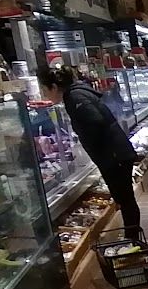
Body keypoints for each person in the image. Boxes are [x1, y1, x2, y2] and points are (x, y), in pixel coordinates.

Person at [37, 63, 142, 240]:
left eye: (45, 90)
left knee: (125, 199)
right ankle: (132, 236)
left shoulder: (74, 97)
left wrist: (91, 144)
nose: (45, 95)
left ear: (54, 87)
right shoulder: (78, 92)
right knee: (125, 199)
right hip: (116, 153)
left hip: (113, 156)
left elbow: (95, 121)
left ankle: (132, 240)